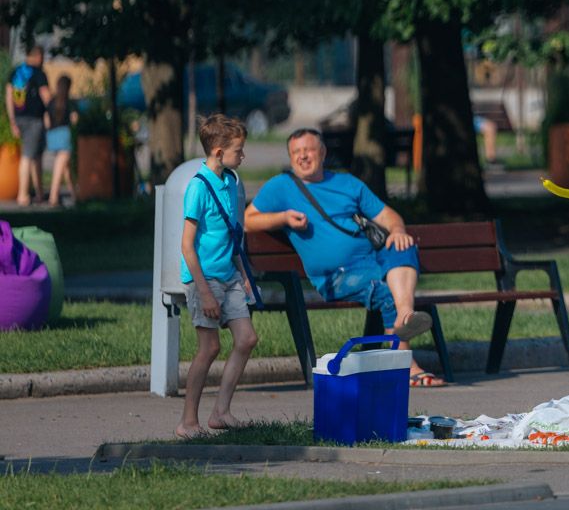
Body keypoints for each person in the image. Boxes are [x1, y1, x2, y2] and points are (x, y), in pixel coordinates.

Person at [244, 127, 446, 387]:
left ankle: (403, 315)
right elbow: (249, 220)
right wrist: (283, 218)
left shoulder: (347, 184)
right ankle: (405, 363)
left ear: (323, 153)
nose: (302, 156)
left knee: (404, 245)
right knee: (385, 289)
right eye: (296, 152)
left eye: (308, 150)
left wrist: (396, 230)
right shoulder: (281, 187)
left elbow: (388, 216)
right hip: (335, 276)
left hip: (370, 262)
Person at [176, 115, 259, 439]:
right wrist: (205, 293)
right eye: (239, 150)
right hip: (205, 278)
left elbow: (231, 233)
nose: (243, 156)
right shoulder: (198, 187)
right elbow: (187, 245)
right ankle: (187, 421)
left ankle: (221, 412)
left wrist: (243, 273)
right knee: (208, 348)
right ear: (219, 151)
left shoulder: (229, 181)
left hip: (229, 274)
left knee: (246, 339)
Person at [5, 46, 52, 205]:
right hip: (34, 119)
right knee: (28, 156)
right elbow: (46, 96)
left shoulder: (16, 72)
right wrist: (55, 113)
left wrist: (12, 120)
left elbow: (9, 95)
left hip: (19, 118)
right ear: (38, 56)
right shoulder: (38, 73)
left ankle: (39, 192)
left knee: (35, 155)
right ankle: (23, 194)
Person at [45, 75, 78, 207]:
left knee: (66, 168)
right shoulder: (70, 102)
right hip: (65, 135)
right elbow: (75, 120)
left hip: (52, 136)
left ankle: (75, 195)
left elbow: (46, 121)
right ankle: (53, 197)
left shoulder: (52, 101)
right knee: (60, 166)